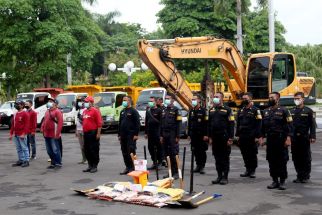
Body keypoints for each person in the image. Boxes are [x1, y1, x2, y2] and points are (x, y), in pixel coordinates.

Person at [261, 92, 293, 190]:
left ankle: (282, 181)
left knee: (282, 160)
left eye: (272, 97)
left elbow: (290, 125)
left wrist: (288, 138)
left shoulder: (284, 110)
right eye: (269, 97)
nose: (270, 99)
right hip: (270, 140)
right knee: (271, 160)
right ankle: (274, 180)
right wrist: (261, 137)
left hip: (281, 139)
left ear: (277, 99)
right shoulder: (265, 111)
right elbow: (262, 126)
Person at [208, 92, 234, 185]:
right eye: (214, 97)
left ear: (222, 98)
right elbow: (209, 125)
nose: (215, 98)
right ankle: (219, 176)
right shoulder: (211, 110)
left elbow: (231, 124)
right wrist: (210, 137)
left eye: (217, 97)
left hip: (224, 137)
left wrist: (231, 138)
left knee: (224, 158)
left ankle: (225, 177)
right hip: (215, 138)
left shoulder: (227, 110)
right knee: (217, 158)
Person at [290, 92, 316, 183]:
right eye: (295, 98)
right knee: (296, 157)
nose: (296, 100)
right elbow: (288, 125)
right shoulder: (291, 111)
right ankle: (299, 175)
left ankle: (305, 175)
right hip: (294, 138)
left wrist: (312, 136)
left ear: (303, 99)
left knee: (305, 157)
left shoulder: (308, 111)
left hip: (304, 137)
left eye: (298, 98)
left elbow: (312, 125)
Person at [236, 92, 262, 178]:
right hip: (243, 135)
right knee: (244, 153)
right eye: (243, 99)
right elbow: (238, 124)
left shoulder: (256, 110)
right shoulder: (241, 110)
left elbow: (259, 124)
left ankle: (252, 170)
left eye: (245, 99)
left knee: (252, 153)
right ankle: (247, 169)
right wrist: (237, 135)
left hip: (252, 136)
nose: (244, 100)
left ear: (250, 99)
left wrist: (257, 137)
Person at [161, 94, 182, 179]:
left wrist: (177, 136)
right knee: (167, 154)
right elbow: (161, 124)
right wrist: (161, 135)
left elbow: (179, 124)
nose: (166, 100)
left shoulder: (177, 110)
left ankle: (176, 172)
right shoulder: (164, 110)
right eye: (165, 99)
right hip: (165, 134)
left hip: (173, 134)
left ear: (173, 100)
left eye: (168, 99)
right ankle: (170, 171)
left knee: (174, 153)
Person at [118, 96, 141, 175]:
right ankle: (127, 167)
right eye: (123, 100)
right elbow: (120, 124)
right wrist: (119, 135)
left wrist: (136, 134)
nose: (123, 101)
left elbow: (137, 123)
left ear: (129, 101)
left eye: (125, 100)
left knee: (131, 151)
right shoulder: (122, 111)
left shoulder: (134, 111)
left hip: (131, 135)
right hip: (123, 136)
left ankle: (133, 168)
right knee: (124, 152)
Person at [188, 95, 208, 174]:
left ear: (199, 100)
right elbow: (190, 123)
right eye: (192, 99)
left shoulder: (203, 111)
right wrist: (189, 134)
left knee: (202, 151)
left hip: (201, 135)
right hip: (194, 135)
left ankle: (202, 166)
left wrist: (206, 135)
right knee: (195, 151)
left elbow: (206, 124)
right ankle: (197, 165)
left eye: (194, 99)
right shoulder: (192, 111)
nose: (193, 101)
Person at [82, 96, 102, 173]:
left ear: (91, 103)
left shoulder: (95, 111)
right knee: (86, 150)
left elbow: (99, 123)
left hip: (93, 132)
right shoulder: (85, 111)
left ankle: (94, 166)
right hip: (86, 133)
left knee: (93, 149)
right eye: (85, 102)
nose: (85, 103)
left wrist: (98, 133)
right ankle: (89, 165)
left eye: (87, 102)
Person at [41, 98, 63, 169]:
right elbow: (44, 121)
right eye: (48, 102)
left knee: (55, 150)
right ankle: (53, 163)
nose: (49, 103)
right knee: (49, 150)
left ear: (55, 104)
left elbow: (60, 124)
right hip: (46, 134)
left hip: (54, 134)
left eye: (51, 101)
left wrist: (57, 134)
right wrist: (42, 128)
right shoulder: (47, 111)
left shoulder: (57, 112)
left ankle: (58, 163)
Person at [10, 100, 30, 167]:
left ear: (22, 105)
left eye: (17, 104)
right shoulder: (16, 113)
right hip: (16, 134)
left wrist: (24, 134)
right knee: (18, 148)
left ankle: (26, 161)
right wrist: (11, 133)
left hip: (22, 134)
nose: (16, 105)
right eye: (15, 104)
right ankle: (21, 160)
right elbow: (13, 124)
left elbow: (27, 125)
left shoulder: (25, 113)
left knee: (24, 148)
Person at [145, 96, 163, 170]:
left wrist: (161, 134)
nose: (150, 102)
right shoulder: (148, 111)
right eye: (150, 101)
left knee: (159, 148)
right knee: (150, 148)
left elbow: (161, 123)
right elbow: (146, 122)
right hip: (150, 133)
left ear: (155, 102)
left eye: (152, 101)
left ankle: (159, 162)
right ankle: (154, 162)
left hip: (157, 133)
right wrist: (146, 133)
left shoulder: (159, 111)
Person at [76, 98, 87, 164]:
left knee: (85, 145)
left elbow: (85, 121)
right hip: (79, 130)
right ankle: (83, 159)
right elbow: (77, 121)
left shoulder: (85, 110)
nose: (80, 103)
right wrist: (76, 130)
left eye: (81, 102)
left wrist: (81, 119)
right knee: (81, 146)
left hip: (84, 130)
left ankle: (87, 159)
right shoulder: (79, 110)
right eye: (79, 102)